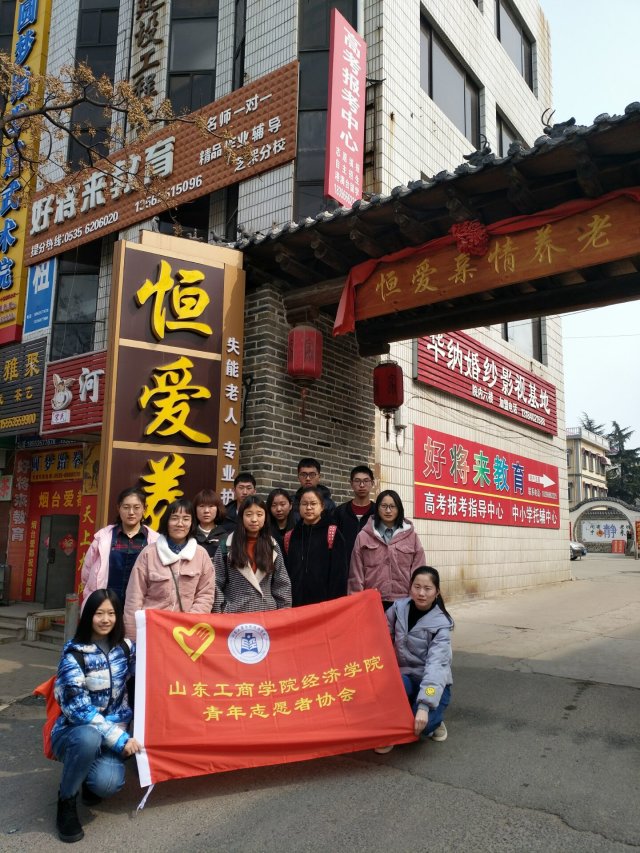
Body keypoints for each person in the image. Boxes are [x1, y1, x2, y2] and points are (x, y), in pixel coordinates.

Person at [52, 588, 140, 843]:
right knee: (89, 738)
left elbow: (150, 674)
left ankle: (87, 778)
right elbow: (76, 709)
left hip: (111, 732)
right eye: (99, 613)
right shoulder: (74, 654)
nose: (105, 619)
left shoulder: (126, 648)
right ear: (88, 615)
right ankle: (66, 800)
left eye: (111, 613)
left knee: (107, 783)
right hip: (74, 732)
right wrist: (120, 740)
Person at [375, 567, 453, 754]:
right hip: (404, 677)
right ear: (410, 588)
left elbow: (436, 666)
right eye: (417, 587)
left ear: (437, 592)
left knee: (423, 725)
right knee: (386, 692)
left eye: (427, 588)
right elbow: (379, 636)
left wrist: (424, 706)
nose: (421, 593)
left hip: (433, 683)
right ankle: (392, 731)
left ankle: (434, 719)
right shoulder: (397, 609)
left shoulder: (441, 625)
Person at [124, 498, 215, 640]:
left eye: (186, 519)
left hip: (185, 632)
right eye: (175, 518)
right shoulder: (149, 553)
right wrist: (132, 637)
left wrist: (190, 624)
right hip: (152, 630)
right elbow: (134, 597)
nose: (180, 524)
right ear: (166, 521)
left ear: (192, 523)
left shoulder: (201, 555)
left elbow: (205, 596)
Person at [80, 487, 159, 609]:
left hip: (140, 605)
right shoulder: (103, 538)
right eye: (126, 507)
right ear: (119, 508)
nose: (131, 512)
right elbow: (86, 572)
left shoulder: (155, 540)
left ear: (144, 509)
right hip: (106, 604)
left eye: (136, 507)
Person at [349, 490, 426, 609]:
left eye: (392, 506)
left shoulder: (411, 536)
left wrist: (414, 600)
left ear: (399, 509)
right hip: (372, 601)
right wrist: (356, 603)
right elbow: (356, 573)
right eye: (384, 506)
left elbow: (419, 570)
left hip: (404, 601)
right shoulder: (364, 536)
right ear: (377, 508)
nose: (388, 510)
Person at [213, 495, 291, 612]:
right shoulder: (226, 546)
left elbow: (282, 583)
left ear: (265, 517)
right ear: (241, 517)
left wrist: (283, 613)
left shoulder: (272, 546)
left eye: (259, 514)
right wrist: (222, 611)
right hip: (234, 614)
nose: (254, 519)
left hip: (267, 614)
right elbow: (215, 583)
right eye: (249, 514)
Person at [284, 486, 348, 606]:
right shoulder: (291, 536)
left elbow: (339, 577)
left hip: (324, 605)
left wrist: (334, 606)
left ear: (322, 506)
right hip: (296, 605)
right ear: (299, 507)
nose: (309, 508)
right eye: (304, 504)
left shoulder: (332, 533)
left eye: (313, 503)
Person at [335, 465, 376, 565]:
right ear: (351, 483)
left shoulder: (378, 512)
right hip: (345, 567)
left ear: (372, 483)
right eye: (357, 481)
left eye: (366, 481)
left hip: (372, 568)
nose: (362, 485)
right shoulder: (339, 512)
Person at [292, 457, 336, 522]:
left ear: (319, 477)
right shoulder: (291, 502)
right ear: (298, 477)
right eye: (303, 475)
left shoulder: (329, 504)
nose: (308, 478)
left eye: (312, 474)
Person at [193, 488, 227, 559]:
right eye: (202, 506)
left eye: (211, 506)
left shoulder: (226, 537)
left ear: (218, 509)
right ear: (195, 509)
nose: (206, 511)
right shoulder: (190, 536)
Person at [266, 487, 295, 554]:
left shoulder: (298, 527)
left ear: (290, 505)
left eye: (282, 504)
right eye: (274, 505)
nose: (279, 509)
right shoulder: (265, 529)